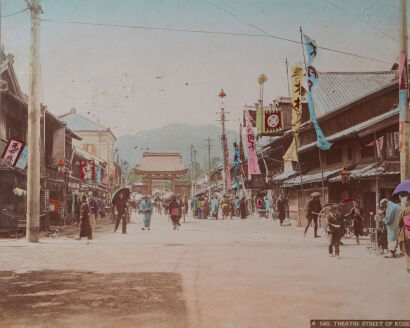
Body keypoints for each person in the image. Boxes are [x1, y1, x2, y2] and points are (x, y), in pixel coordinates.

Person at [397, 198, 410, 273]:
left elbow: (399, 223)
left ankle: (409, 266)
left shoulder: (404, 211)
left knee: (408, 250)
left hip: (407, 232)